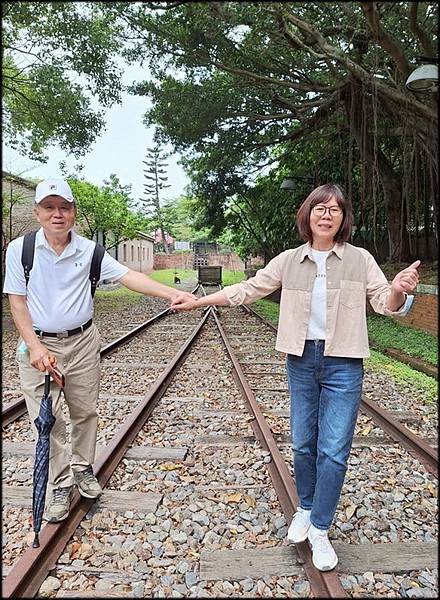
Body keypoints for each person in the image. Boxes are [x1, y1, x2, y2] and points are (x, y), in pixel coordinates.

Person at [171, 183, 419, 571]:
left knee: (333, 450)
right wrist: (198, 300)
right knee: (304, 444)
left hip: (344, 362)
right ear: (308, 215)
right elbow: (248, 289)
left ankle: (320, 527)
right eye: (319, 208)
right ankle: (305, 506)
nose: (326, 214)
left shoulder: (360, 259)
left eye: (335, 209)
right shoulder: (289, 260)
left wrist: (400, 291)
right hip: (302, 360)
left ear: (343, 219)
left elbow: (385, 303)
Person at [3, 178, 196, 523]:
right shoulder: (21, 250)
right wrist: (33, 346)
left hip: (81, 341)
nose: (57, 214)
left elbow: (127, 277)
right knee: (48, 420)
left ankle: (82, 467)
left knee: (84, 411)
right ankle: (60, 485)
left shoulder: (90, 250)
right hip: (37, 344)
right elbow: (16, 302)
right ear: (37, 213)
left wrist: (171, 295)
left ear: (74, 212)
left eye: (64, 207)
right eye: (49, 207)